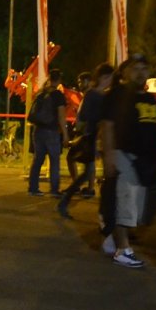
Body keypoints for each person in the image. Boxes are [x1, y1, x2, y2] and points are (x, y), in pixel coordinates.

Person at [97, 54, 156, 268]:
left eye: (144, 68)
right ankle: (123, 251)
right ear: (124, 73)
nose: (140, 72)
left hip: (145, 161)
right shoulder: (117, 94)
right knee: (125, 205)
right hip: (123, 155)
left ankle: (112, 236)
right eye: (135, 68)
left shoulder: (149, 98)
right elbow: (107, 126)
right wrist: (109, 155)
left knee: (139, 210)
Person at [58, 64, 114, 218]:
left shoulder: (99, 95)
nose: (111, 81)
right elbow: (84, 116)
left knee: (89, 172)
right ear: (103, 77)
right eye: (110, 78)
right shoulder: (94, 95)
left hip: (97, 138)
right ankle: (105, 212)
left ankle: (67, 200)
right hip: (92, 137)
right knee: (92, 171)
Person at [27, 68, 68, 196]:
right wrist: (65, 134)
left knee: (37, 160)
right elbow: (61, 116)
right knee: (54, 161)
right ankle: (54, 190)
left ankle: (33, 188)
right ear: (59, 80)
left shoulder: (40, 93)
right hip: (51, 131)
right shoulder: (58, 95)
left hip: (38, 130)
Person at [63, 71, 92, 187]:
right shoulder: (85, 96)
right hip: (82, 132)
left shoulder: (90, 96)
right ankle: (85, 187)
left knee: (77, 159)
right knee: (87, 161)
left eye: (81, 82)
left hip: (85, 133)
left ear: (88, 81)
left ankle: (81, 186)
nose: (79, 84)